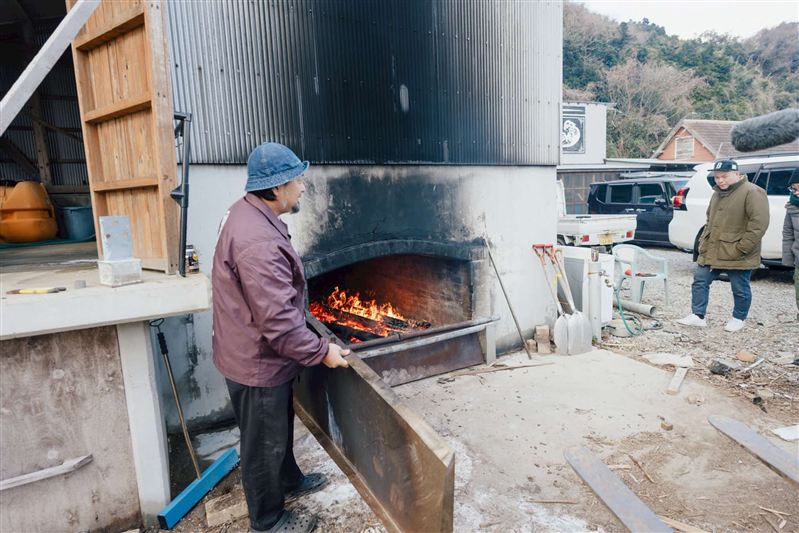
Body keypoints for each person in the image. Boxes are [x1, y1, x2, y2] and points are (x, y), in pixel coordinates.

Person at [212, 142, 350, 533]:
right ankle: (268, 521)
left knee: (276, 427)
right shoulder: (257, 242)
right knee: (261, 444)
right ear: (274, 189)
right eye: (296, 180)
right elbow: (279, 324)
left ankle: (289, 478)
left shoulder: (247, 214)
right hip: (255, 360)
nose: (303, 187)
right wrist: (323, 352)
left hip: (250, 348)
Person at [677, 159, 769, 332]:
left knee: (739, 288)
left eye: (724, 176)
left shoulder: (753, 192)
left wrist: (742, 248)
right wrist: (704, 243)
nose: (720, 180)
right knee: (700, 280)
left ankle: (738, 318)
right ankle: (698, 316)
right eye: (717, 177)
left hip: (737, 251)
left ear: (737, 174)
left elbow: (759, 225)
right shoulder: (717, 193)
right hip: (713, 249)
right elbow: (709, 221)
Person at [783, 174, 799, 320]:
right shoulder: (792, 207)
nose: (797, 193)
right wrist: (788, 260)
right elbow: (788, 234)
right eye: (794, 189)